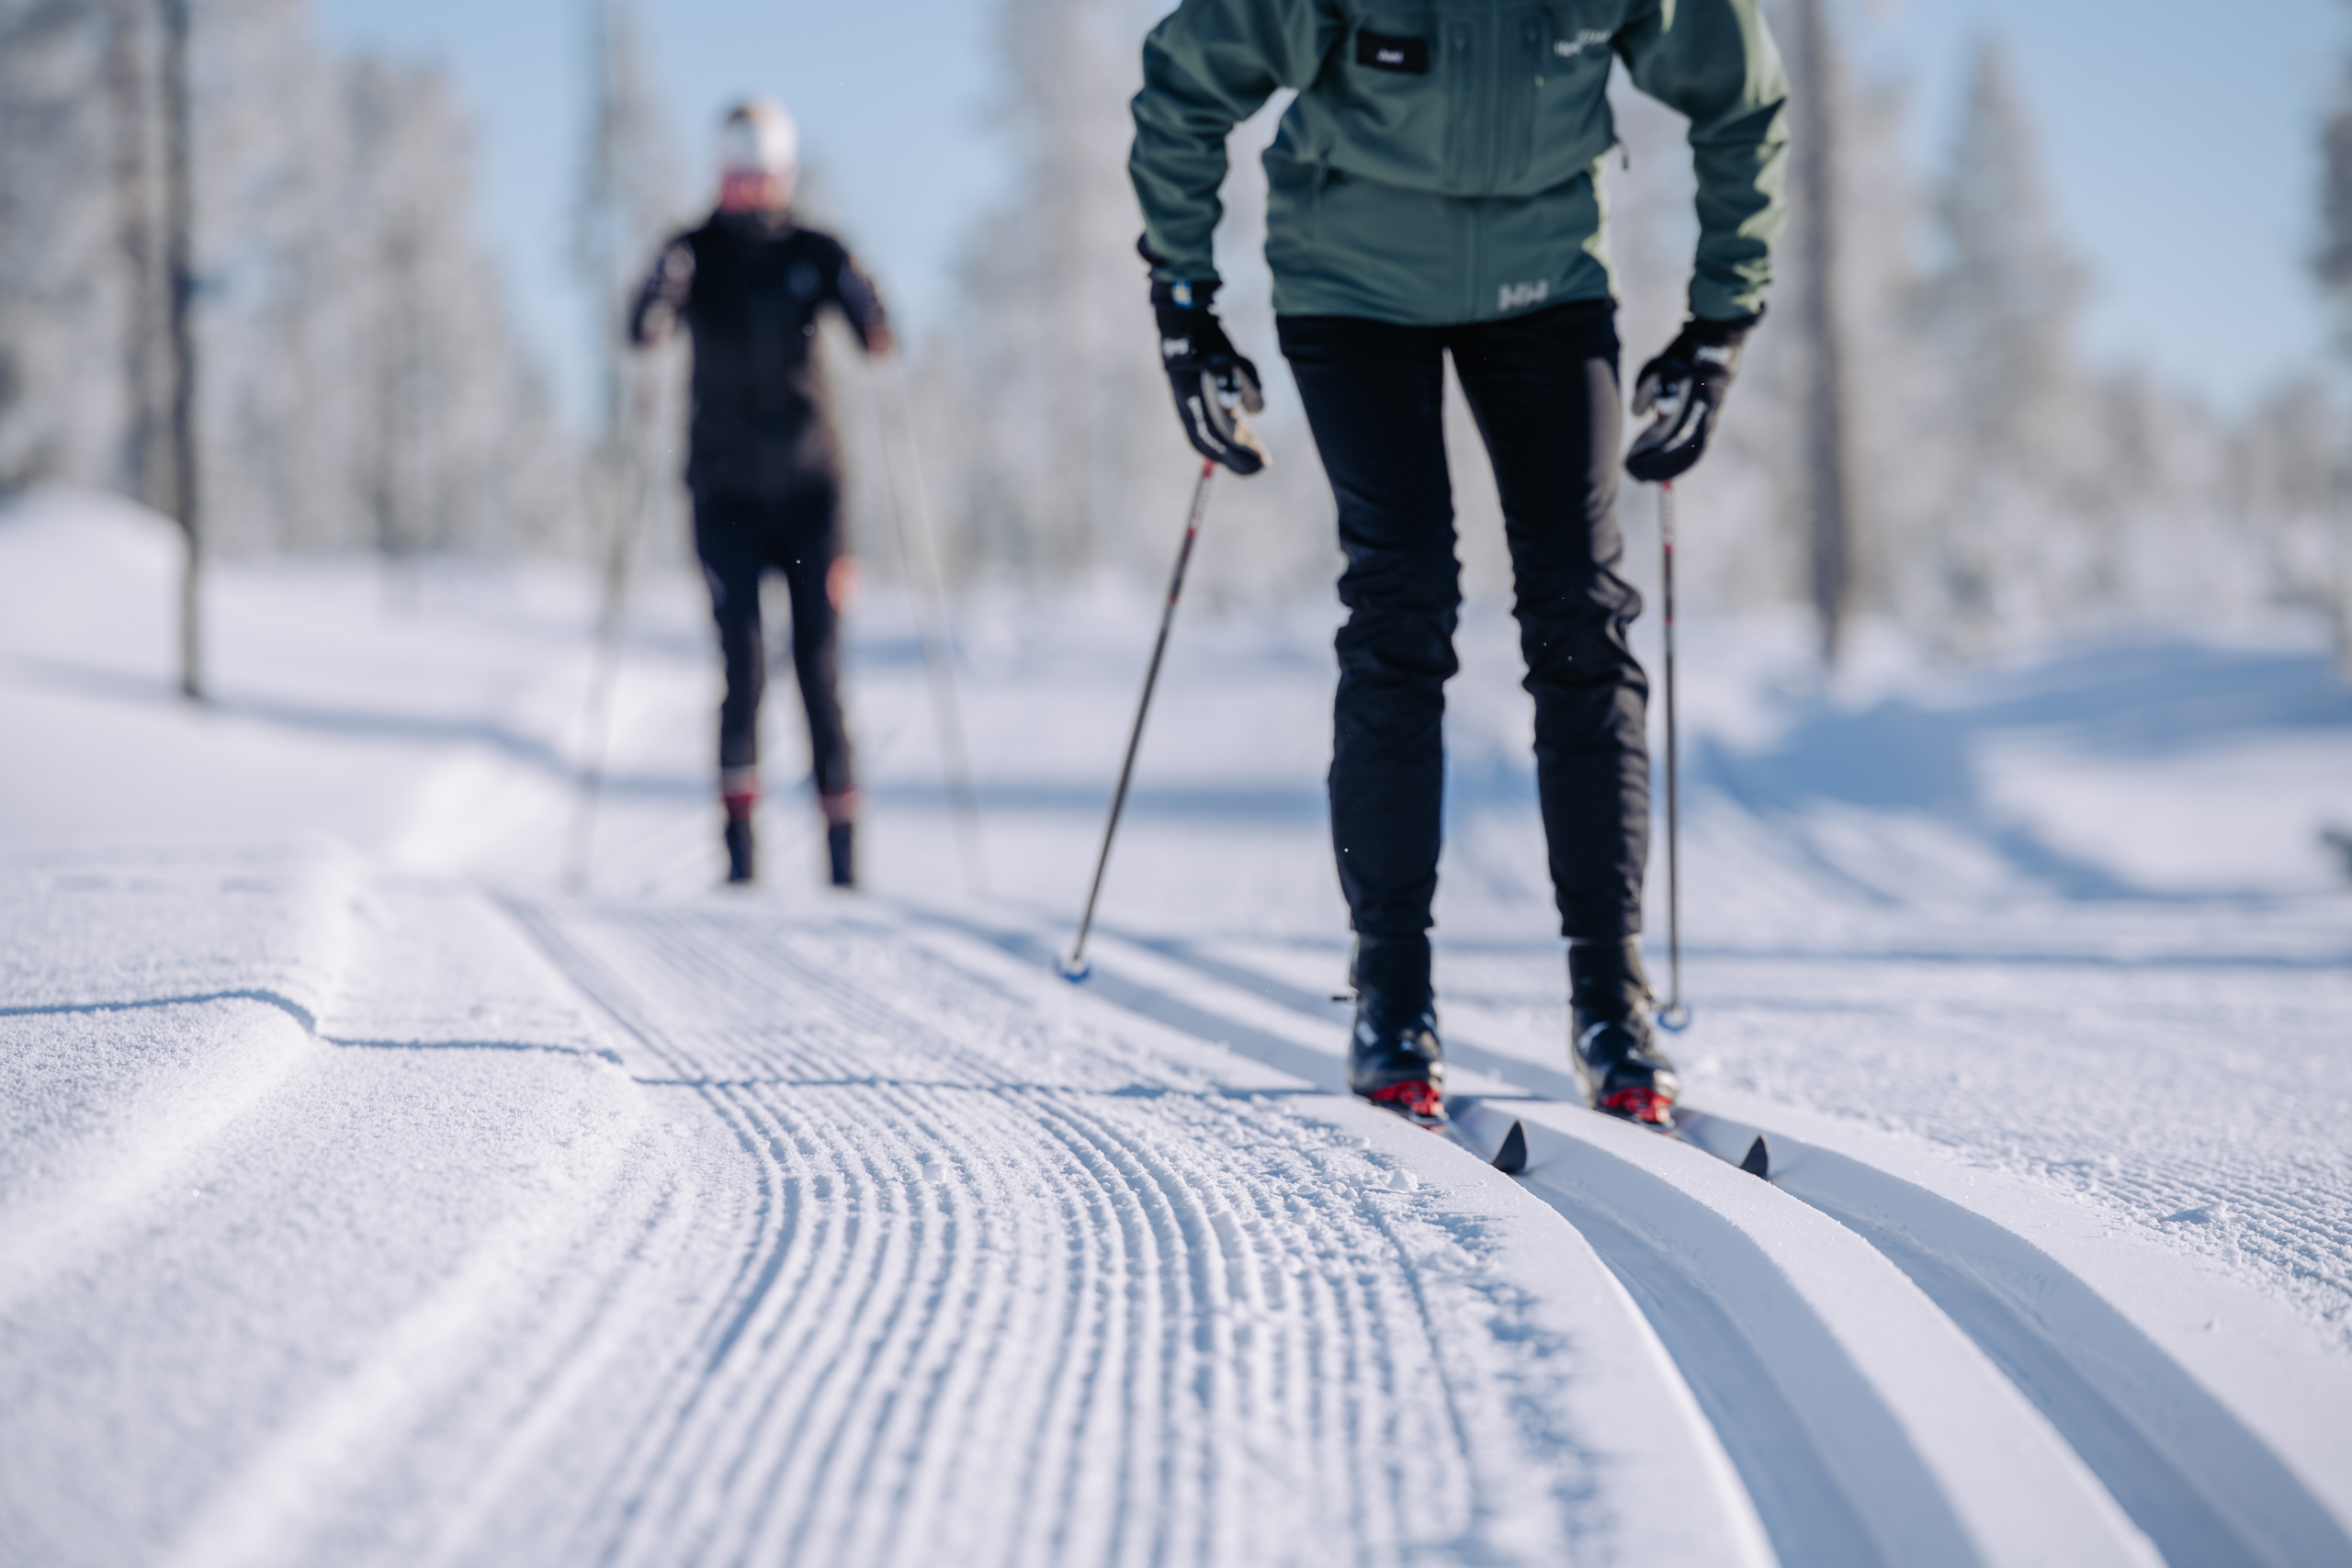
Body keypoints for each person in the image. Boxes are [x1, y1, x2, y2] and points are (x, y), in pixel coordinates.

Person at [1129, 0, 1787, 1124]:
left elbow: (1740, 95)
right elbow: (1186, 83)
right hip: (1351, 285)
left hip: (1543, 284)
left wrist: (1719, 323)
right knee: (1402, 602)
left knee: (1581, 611)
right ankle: (1390, 993)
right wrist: (1186, 305)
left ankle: (1608, 996)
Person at [630, 98, 893, 888]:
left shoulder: (815, 249)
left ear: (782, 174)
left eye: (762, 174)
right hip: (725, 495)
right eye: (736, 173)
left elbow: (875, 329)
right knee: (741, 664)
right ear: (720, 172)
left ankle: (843, 866)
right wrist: (655, 299)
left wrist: (866, 303)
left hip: (812, 494)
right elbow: (643, 321)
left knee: (819, 667)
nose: (748, 187)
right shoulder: (693, 251)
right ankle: (740, 863)